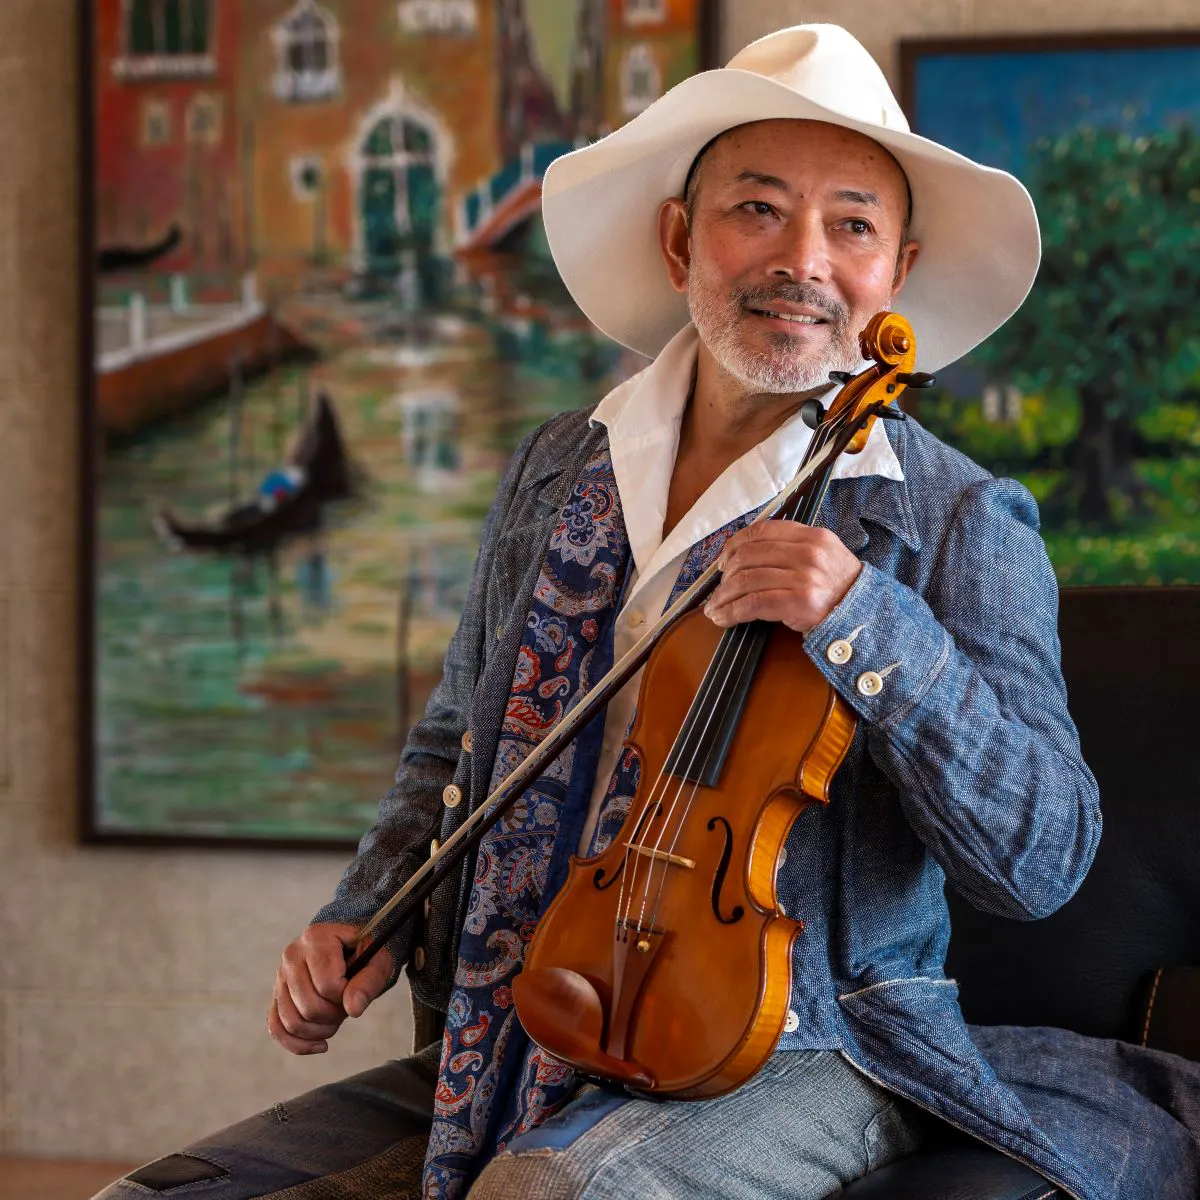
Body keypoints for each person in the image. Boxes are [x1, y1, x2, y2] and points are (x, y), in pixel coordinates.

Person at [96, 24, 1199, 1200]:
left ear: (897, 271)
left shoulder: (959, 518)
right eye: (758, 210)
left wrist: (870, 622)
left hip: (805, 1047)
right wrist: (360, 914)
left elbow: (1044, 858)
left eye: (853, 226)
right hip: (518, 1015)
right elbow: (454, 736)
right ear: (682, 239)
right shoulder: (555, 468)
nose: (804, 261)